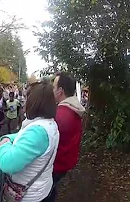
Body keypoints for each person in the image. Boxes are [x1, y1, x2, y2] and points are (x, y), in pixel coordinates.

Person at [0, 80, 59, 202]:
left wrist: (3, 144)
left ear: (34, 102)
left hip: (29, 197)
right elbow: (21, 136)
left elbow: (7, 164)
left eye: (27, 98)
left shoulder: (38, 132)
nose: (25, 102)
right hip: (40, 190)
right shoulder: (47, 124)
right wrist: (7, 138)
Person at [45, 72, 85, 202]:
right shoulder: (73, 109)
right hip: (65, 163)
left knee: (46, 194)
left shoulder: (61, 114)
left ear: (60, 91)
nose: (52, 90)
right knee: (52, 190)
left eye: (54, 87)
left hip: (55, 165)